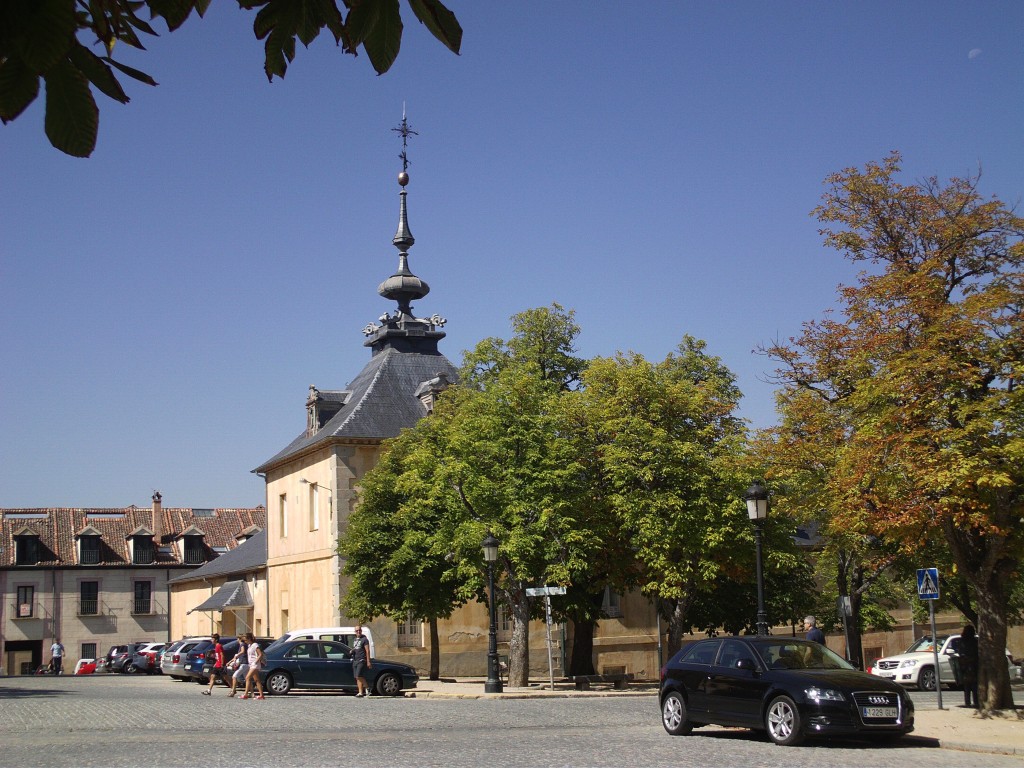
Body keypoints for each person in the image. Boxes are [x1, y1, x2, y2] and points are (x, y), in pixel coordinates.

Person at [958, 624, 979, 708]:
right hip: (973, 665)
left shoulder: (962, 641)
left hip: (965, 665)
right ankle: (976, 702)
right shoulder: (974, 641)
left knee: (967, 686)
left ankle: (967, 702)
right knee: (974, 685)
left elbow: (960, 652)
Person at [241, 633, 265, 700]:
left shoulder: (255, 645)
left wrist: (256, 661)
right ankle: (261, 695)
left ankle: (246, 694)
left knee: (247, 677)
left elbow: (260, 654)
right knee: (257, 680)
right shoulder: (249, 645)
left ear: (249, 639)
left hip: (255, 664)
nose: (245, 641)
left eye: (245, 640)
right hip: (251, 664)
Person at [351, 625, 372, 697]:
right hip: (355, 660)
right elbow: (356, 648)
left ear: (361, 631)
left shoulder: (364, 639)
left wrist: (368, 661)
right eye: (357, 631)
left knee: (358, 675)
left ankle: (367, 687)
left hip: (361, 659)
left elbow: (367, 650)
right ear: (355, 632)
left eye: (359, 630)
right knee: (357, 677)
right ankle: (360, 692)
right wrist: (352, 650)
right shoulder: (355, 639)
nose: (358, 632)